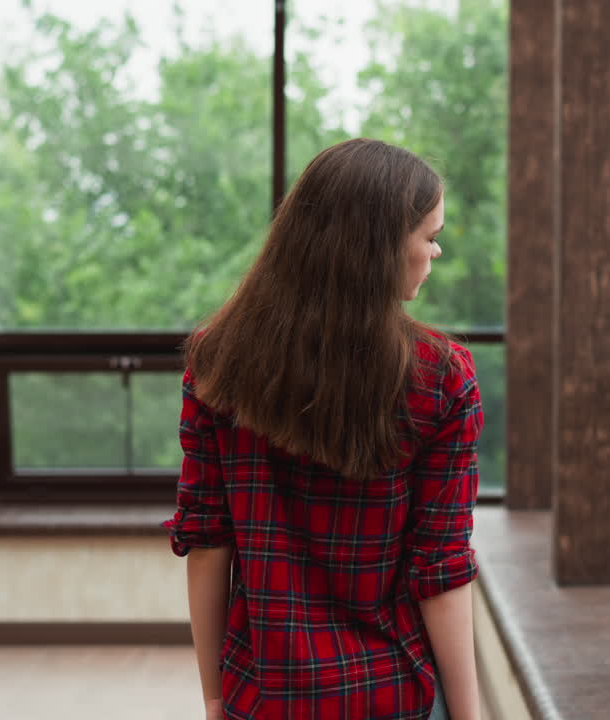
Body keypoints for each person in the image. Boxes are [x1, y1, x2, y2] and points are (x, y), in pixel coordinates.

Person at [163, 138, 483, 720]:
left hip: (265, 697)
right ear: (383, 247)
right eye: (430, 236)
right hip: (394, 695)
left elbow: (207, 543)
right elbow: (440, 571)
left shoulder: (219, 363)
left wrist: (214, 698)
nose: (436, 251)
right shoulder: (440, 378)